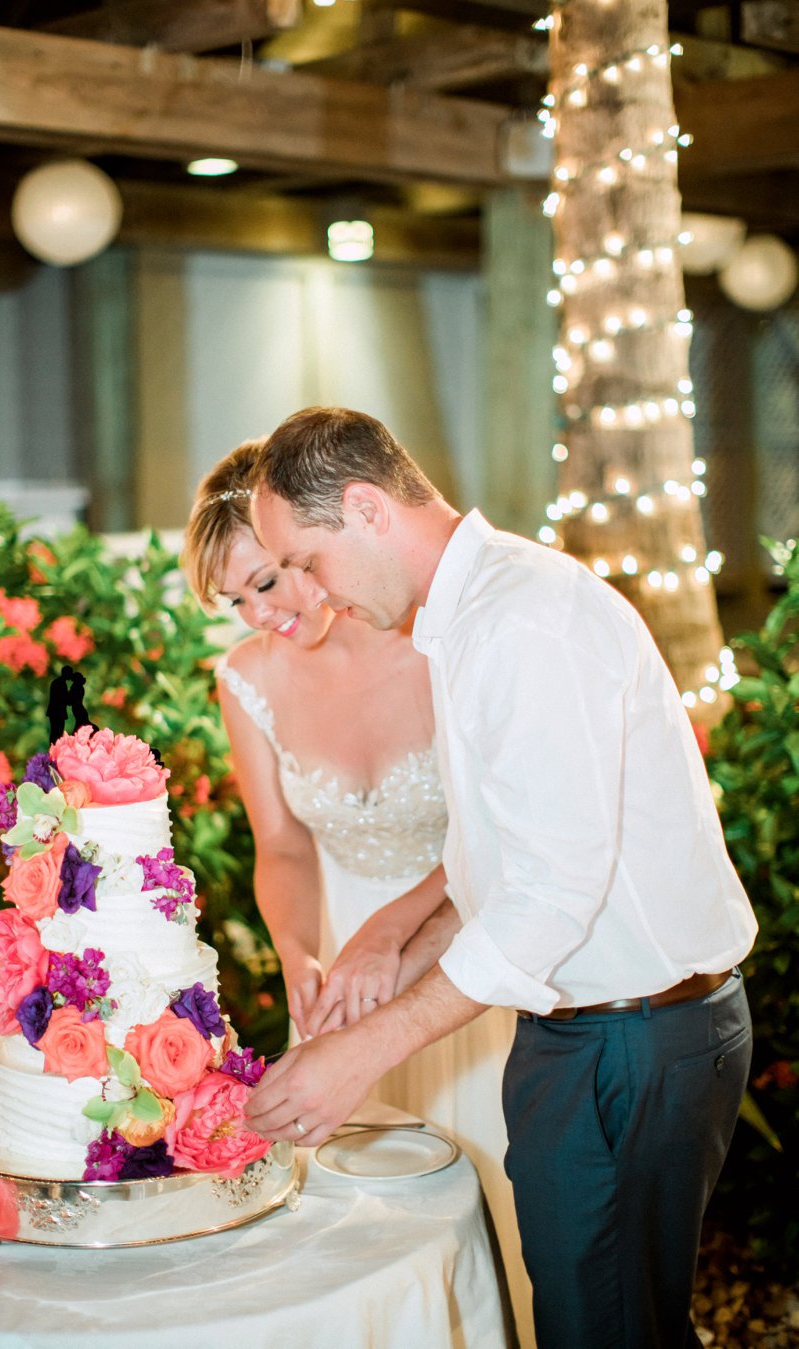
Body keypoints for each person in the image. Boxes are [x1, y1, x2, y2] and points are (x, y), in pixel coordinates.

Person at [243, 406, 758, 1349]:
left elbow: (552, 894)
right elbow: (506, 856)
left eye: (308, 561)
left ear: (365, 508)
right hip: (589, 1033)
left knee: (605, 1330)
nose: (311, 594)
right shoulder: (465, 614)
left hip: (636, 1037)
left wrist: (366, 1053)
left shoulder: (524, 620)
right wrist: (392, 950)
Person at [181, 441, 531, 1347]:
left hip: (465, 949)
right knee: (352, 1226)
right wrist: (298, 949)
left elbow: (497, 825)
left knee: (491, 1196)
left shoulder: (427, 636)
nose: (269, 612)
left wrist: (399, 921)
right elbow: (284, 846)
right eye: (240, 599)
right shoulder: (246, 680)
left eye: (275, 577)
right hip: (342, 973)